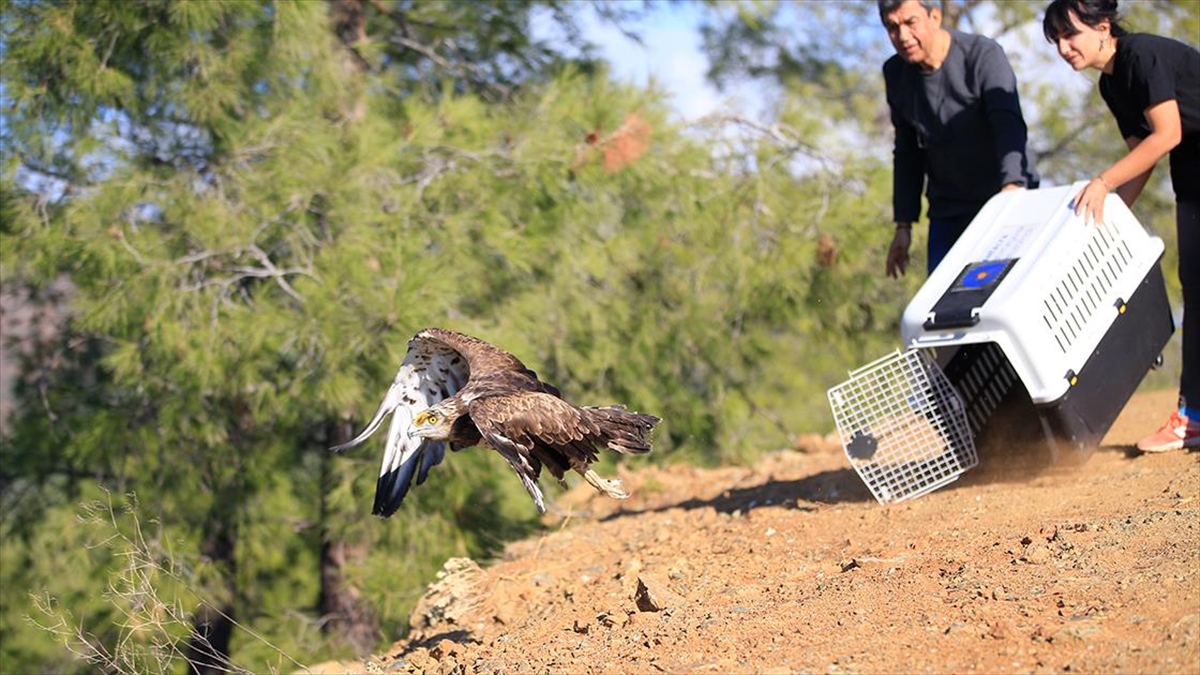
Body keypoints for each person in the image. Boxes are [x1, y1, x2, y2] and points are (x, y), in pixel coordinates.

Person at [1043, 0, 1200, 452]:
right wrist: (1112, 221)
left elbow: (1166, 134)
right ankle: (1192, 417)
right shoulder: (1112, 85)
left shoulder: (1142, 56)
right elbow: (1143, 156)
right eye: (1056, 41)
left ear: (1103, 27)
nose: (1063, 48)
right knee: (1194, 287)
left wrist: (1103, 182)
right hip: (1191, 176)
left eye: (1070, 35)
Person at [879, 0, 1040, 278]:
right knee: (947, 311)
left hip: (1005, 201)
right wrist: (903, 225)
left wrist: (1013, 186)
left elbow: (1007, 123)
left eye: (910, 23)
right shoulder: (896, 73)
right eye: (892, 27)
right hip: (948, 212)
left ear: (935, 16)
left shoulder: (982, 54)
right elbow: (906, 153)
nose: (902, 36)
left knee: (1010, 295)